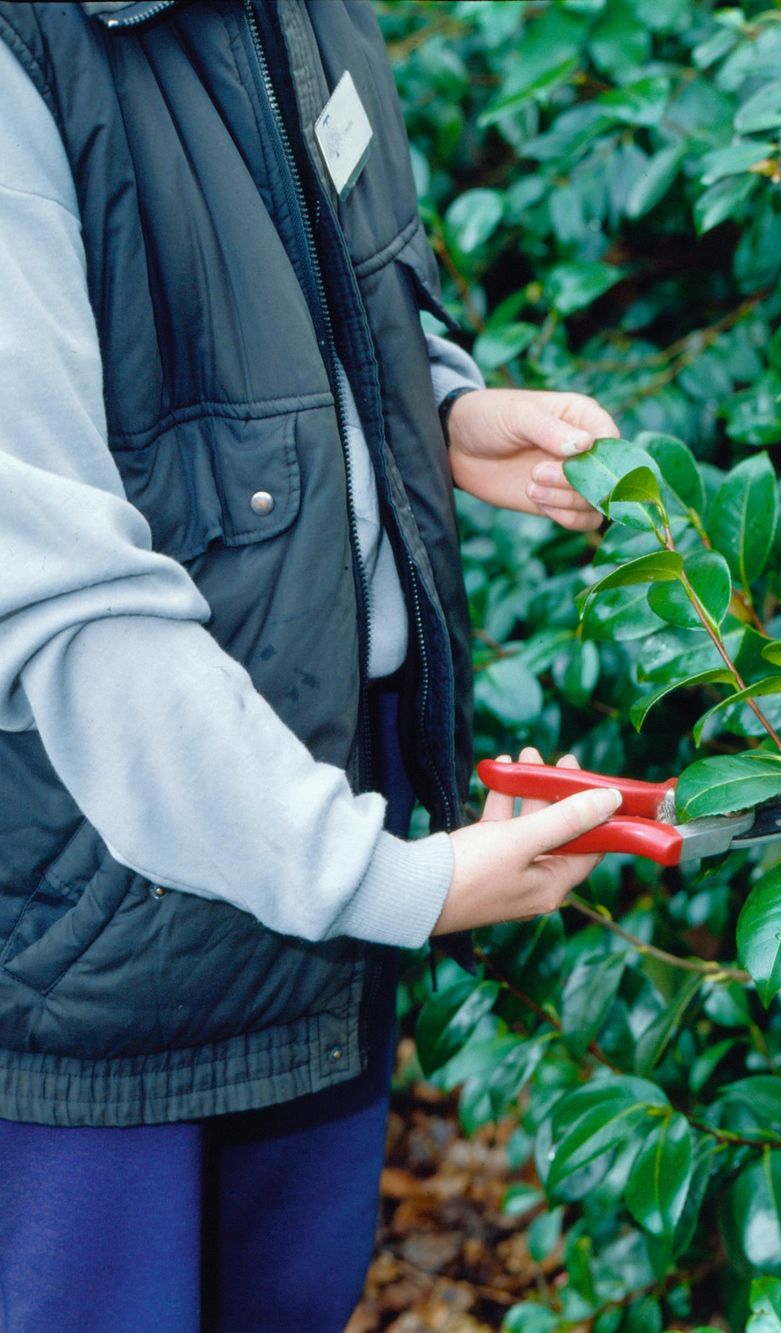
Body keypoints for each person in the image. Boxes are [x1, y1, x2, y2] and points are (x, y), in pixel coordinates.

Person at [0, 2, 620, 1328]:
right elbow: (52, 596)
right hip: (82, 959)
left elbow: (307, 276)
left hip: (308, 888)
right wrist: (387, 879)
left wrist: (442, 404)